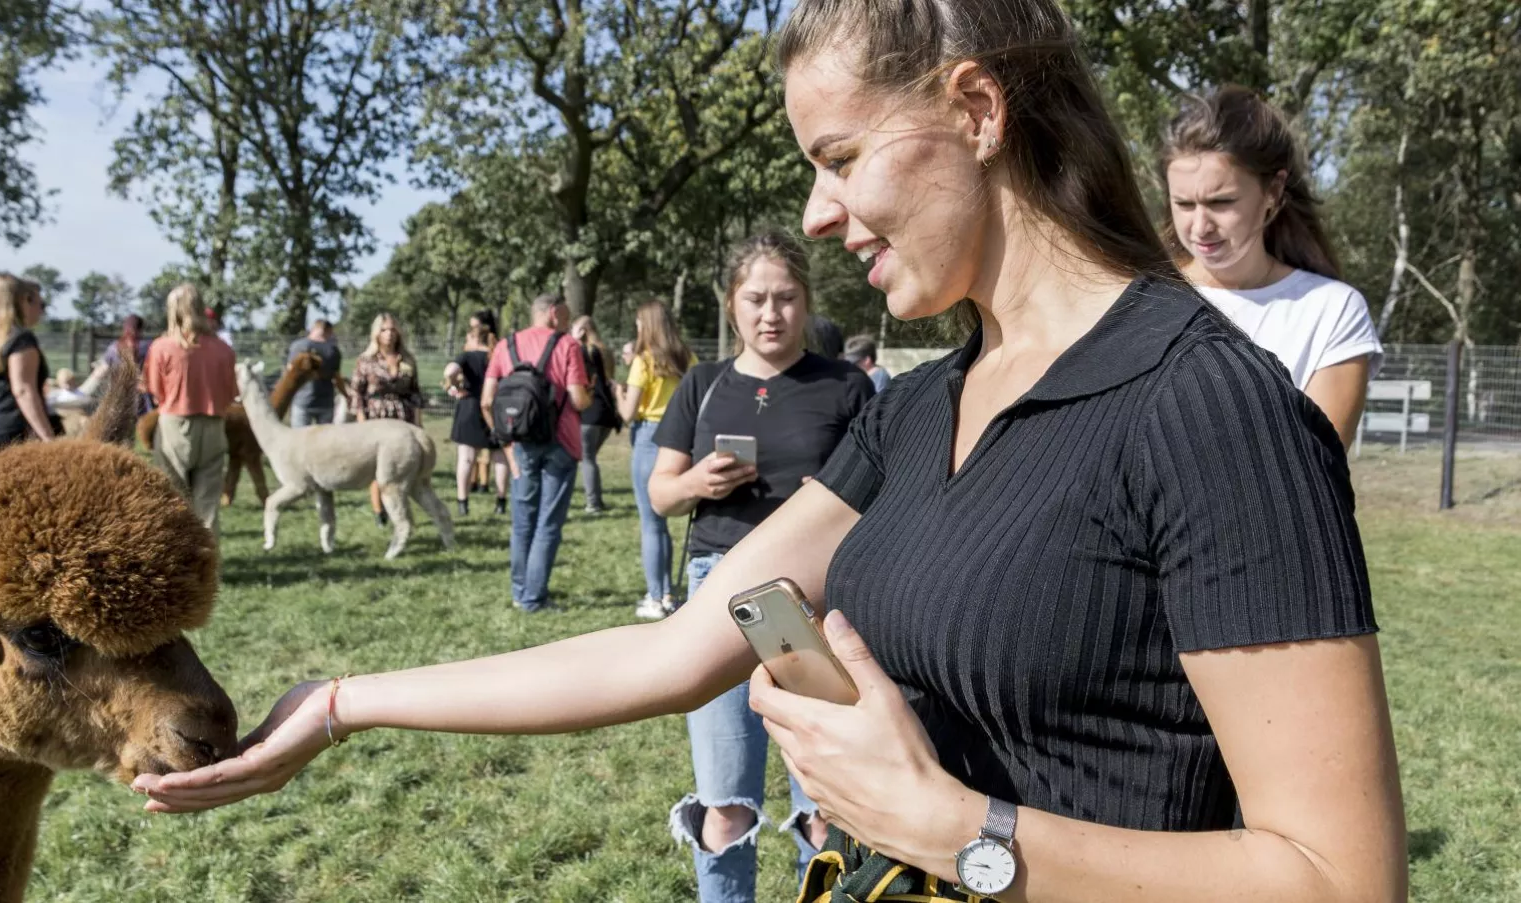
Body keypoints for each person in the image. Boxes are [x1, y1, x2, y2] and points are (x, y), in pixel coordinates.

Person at [135, 6, 1407, 903]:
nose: (813, 212)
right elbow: (676, 649)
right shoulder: (915, 410)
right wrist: (347, 704)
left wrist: (961, 832)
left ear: (971, 108)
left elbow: (1340, 880)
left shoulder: (1213, 411)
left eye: (839, 157)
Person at [649, 231, 874, 902]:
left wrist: (835, 499)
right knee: (726, 798)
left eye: (785, 298)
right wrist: (699, 483)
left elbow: (887, 494)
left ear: (806, 302)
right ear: (731, 305)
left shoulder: (847, 385)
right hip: (717, 586)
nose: (770, 313)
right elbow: (661, 491)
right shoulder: (702, 383)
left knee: (825, 800)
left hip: (817, 594)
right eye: (755, 299)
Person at [1163, 87, 1382, 448]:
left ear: (1274, 192)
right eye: (1184, 204)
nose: (1200, 227)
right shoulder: (1137, 297)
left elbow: (1318, 470)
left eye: (1222, 202)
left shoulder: (1332, 311)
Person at [479, 293, 590, 613]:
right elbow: (578, 399)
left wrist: (507, 447)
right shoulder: (568, 345)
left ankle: (520, 591)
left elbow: (487, 401)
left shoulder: (505, 345)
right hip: (561, 443)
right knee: (548, 523)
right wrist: (592, 390)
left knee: (522, 521)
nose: (568, 322)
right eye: (566, 316)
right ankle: (534, 597)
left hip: (521, 443)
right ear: (553, 314)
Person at [617, 299, 699, 619]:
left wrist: (619, 392)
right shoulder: (687, 357)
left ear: (648, 325)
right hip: (681, 437)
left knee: (652, 524)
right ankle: (668, 592)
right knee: (663, 522)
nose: (637, 329)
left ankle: (655, 596)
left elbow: (627, 413)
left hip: (649, 437)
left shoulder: (643, 361)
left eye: (639, 323)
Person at [143, 283, 237, 532]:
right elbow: (230, 395)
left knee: (172, 501)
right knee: (207, 507)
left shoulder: (161, 347)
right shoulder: (224, 350)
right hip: (214, 426)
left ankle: (177, 566)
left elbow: (155, 391)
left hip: (174, 425)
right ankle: (209, 567)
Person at [0, 273, 62, 456]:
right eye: (38, 303)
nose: (41, 310)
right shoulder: (20, 339)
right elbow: (22, 390)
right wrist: (48, 438)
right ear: (22, 300)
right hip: (15, 434)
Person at [349, 313, 425, 527]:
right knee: (378, 467)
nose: (389, 334)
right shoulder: (366, 360)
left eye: (392, 329)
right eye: (384, 330)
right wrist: (362, 423)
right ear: (376, 333)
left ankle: (399, 509)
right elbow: (357, 393)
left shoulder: (408, 359)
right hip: (377, 417)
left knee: (402, 467)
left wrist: (418, 424)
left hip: (402, 416)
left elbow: (416, 393)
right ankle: (379, 511)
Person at [443, 317, 509, 516]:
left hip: (470, 407)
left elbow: (449, 371)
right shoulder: (498, 355)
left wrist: (455, 385)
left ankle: (463, 503)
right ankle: (501, 502)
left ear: (473, 338)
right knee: (499, 458)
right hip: (495, 408)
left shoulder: (467, 356)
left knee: (466, 458)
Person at [570, 314, 621, 514]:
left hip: (591, 412)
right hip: (607, 414)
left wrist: (573, 340)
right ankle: (595, 498)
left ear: (582, 331)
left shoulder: (584, 351)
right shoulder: (605, 351)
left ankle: (593, 502)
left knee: (587, 458)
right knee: (589, 457)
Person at [287, 319, 344, 427]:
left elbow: (289, 373)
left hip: (301, 401)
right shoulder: (333, 350)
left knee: (299, 440)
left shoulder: (297, 346)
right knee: (324, 441)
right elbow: (337, 378)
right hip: (326, 403)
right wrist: (346, 395)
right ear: (326, 330)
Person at [102, 314, 155, 413]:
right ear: (140, 329)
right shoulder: (149, 346)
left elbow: (102, 370)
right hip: (143, 395)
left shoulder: (113, 348)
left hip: (120, 393)